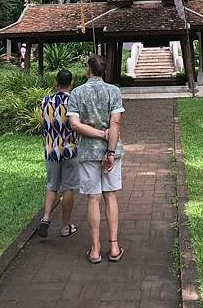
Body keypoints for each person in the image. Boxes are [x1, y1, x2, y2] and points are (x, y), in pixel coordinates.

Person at [67, 55, 125, 264]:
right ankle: (115, 246)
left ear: (88, 70)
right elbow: (115, 123)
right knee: (110, 196)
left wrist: (98, 134)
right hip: (112, 151)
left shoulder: (77, 93)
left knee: (93, 198)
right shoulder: (114, 91)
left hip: (88, 152)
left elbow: (74, 124)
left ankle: (95, 249)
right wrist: (109, 150)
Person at [37, 69, 79, 238]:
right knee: (68, 187)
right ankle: (65, 226)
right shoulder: (74, 101)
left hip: (51, 149)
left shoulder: (45, 101)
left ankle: (46, 218)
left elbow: (42, 124)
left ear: (56, 83)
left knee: (51, 185)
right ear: (72, 83)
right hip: (70, 149)